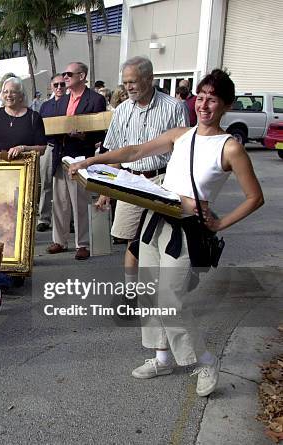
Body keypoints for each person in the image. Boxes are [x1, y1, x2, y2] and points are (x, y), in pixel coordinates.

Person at [69, 68, 264, 397]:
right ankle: (161, 357)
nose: (203, 105)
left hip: (186, 232)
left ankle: (202, 360)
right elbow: (133, 152)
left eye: (212, 99)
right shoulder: (180, 134)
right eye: (200, 97)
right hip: (155, 220)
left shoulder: (229, 148)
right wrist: (92, 161)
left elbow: (255, 197)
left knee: (170, 300)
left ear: (226, 105)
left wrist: (219, 223)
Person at [98, 56, 188, 312]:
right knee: (130, 240)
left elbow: (183, 152)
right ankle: (130, 293)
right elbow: (115, 151)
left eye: (134, 81)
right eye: (125, 82)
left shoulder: (174, 107)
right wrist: (106, 191)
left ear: (150, 79)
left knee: (161, 239)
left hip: (164, 181)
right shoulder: (122, 110)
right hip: (130, 181)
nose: (129, 87)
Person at [46, 62, 107, 261]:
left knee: (80, 202)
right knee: (60, 201)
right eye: (64, 73)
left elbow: (100, 129)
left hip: (80, 156)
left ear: (82, 76)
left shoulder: (95, 99)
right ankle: (59, 240)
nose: (65, 77)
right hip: (60, 155)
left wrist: (84, 136)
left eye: (69, 73)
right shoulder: (61, 100)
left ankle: (82, 243)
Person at [0, 76, 47, 158]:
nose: (8, 95)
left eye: (13, 92)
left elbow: (42, 148)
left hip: (22, 168)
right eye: (5, 92)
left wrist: (23, 148)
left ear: (21, 96)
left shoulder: (33, 117)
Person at [36, 74, 67, 232]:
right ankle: (44, 218)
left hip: (67, 147)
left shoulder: (71, 103)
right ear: (51, 87)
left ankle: (70, 220)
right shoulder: (45, 106)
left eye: (62, 84)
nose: (59, 87)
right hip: (49, 147)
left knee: (66, 187)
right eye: (56, 85)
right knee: (46, 184)